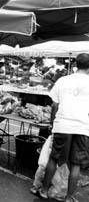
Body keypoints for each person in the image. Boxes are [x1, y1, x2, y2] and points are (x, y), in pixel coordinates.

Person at [39, 53, 89, 202]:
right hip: (82, 127)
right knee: (76, 164)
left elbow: (54, 105)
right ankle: (68, 198)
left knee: (54, 158)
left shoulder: (63, 80)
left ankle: (44, 190)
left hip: (63, 125)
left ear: (75, 64)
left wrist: (52, 123)